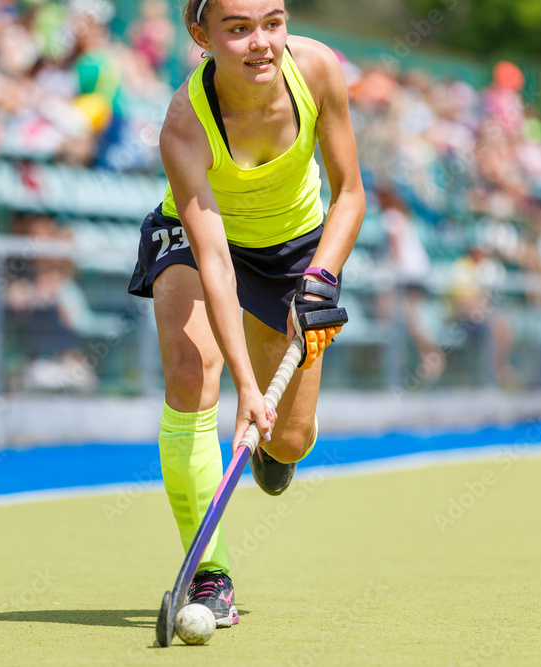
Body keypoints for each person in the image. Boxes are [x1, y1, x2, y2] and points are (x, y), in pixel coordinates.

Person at [127, 0, 364, 629]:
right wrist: (245, 387)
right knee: (188, 371)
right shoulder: (184, 125)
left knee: (290, 438)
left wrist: (322, 276)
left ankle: (275, 452)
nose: (261, 43)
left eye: (273, 23)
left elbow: (350, 193)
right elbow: (215, 263)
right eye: (238, 29)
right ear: (199, 34)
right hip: (202, 241)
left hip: (294, 254)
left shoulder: (317, 72)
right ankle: (211, 576)